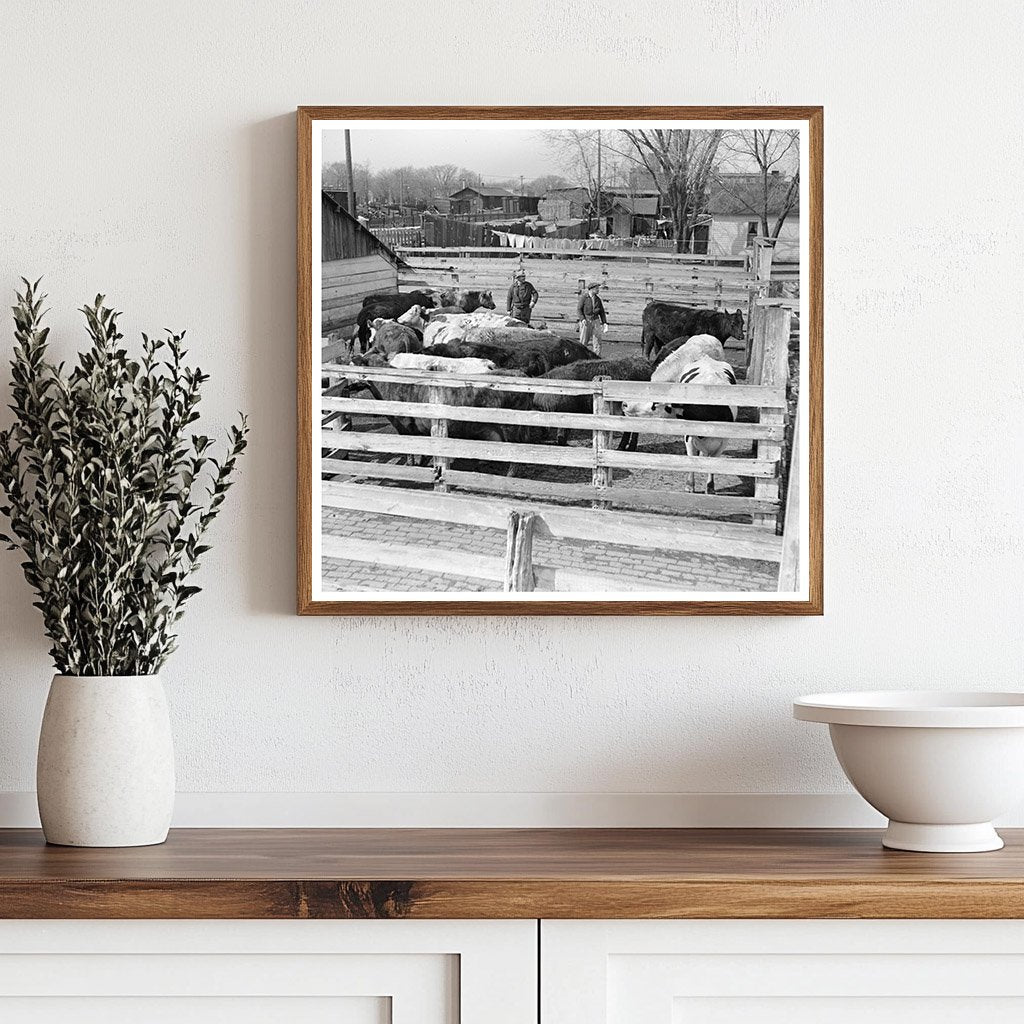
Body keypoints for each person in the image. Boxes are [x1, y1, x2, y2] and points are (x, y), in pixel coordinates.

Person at [577, 281, 607, 354]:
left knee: (597, 340)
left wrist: (604, 323)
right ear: (591, 289)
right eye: (596, 288)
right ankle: (581, 356)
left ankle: (597, 356)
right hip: (586, 321)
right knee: (584, 340)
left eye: (598, 288)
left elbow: (602, 312)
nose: (598, 290)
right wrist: (582, 319)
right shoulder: (584, 298)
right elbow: (579, 309)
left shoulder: (598, 299)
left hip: (596, 320)